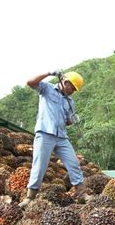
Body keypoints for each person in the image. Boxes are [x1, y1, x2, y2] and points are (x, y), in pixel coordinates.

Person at [19, 70, 90, 208]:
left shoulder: (70, 102)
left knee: (74, 163)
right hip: (45, 133)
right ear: (66, 82)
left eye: (75, 90)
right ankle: (30, 197)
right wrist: (48, 73)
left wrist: (72, 120)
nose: (73, 91)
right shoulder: (47, 88)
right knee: (39, 166)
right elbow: (30, 82)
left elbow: (67, 121)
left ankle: (81, 193)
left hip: (62, 137)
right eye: (73, 88)